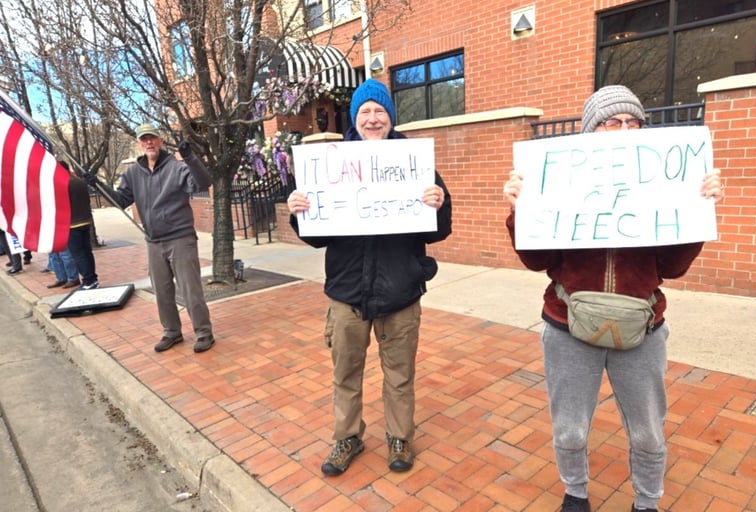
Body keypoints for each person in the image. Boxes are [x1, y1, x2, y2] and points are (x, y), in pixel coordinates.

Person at [502, 85, 724, 512]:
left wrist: (698, 211)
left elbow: (673, 267)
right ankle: (575, 493)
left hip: (642, 326)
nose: (624, 129)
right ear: (591, 131)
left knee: (648, 431)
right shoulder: (561, 181)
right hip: (567, 323)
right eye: (611, 121)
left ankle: (647, 502)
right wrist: (521, 211)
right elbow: (536, 260)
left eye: (633, 122)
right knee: (569, 430)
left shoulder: (661, 184)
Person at [286, 79, 453, 476]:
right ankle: (347, 436)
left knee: (400, 374)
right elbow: (316, 238)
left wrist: (439, 205)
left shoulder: (415, 163)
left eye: (380, 111)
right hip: (347, 292)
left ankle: (400, 436)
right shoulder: (329, 165)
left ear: (390, 117)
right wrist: (299, 212)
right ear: (355, 118)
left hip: (400, 291)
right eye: (365, 112)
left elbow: (438, 231)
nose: (373, 118)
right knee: (345, 373)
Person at [84, 124, 215, 353]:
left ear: (160, 140)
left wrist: (190, 157)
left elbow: (203, 183)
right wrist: (97, 185)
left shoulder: (177, 167)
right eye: (144, 139)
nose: (149, 143)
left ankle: (204, 332)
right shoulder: (133, 173)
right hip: (153, 241)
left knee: (190, 290)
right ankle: (172, 332)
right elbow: (121, 200)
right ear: (139, 143)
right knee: (162, 291)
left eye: (152, 138)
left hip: (180, 238)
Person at [62, 161, 99, 290]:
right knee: (87, 252)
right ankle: (93, 278)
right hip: (85, 220)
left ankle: (88, 280)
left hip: (72, 224)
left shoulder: (62, 184)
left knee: (78, 254)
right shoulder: (79, 181)